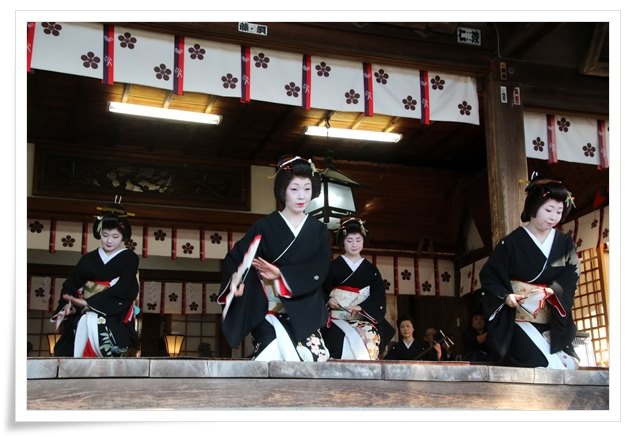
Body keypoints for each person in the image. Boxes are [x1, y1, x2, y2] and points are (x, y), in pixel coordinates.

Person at [217, 155, 331, 362]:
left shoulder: (319, 230)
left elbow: (320, 267)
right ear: (283, 190)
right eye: (294, 189)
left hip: (305, 307)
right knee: (271, 352)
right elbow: (238, 257)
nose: (301, 196)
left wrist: (281, 273)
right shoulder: (265, 226)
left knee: (314, 357)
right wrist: (237, 279)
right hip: (268, 309)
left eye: (306, 189)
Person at [479, 173, 580, 369]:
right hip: (520, 320)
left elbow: (572, 273)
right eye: (549, 209)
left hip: (552, 318)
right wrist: (506, 296)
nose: (554, 217)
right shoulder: (511, 243)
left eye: (559, 211)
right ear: (533, 206)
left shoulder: (564, 242)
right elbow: (489, 275)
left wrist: (553, 290)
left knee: (567, 367)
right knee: (538, 363)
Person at [50, 198, 139, 357]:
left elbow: (124, 287)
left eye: (115, 236)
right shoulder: (88, 258)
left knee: (102, 332)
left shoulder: (129, 258)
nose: (109, 240)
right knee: (78, 331)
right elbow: (71, 284)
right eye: (105, 235)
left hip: (113, 313)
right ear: (99, 233)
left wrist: (89, 303)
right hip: (83, 311)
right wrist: (68, 305)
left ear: (123, 236)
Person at [321, 216, 393, 360]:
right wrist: (328, 300)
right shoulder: (333, 266)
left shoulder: (371, 269)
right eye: (349, 240)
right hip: (337, 318)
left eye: (358, 240)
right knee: (334, 340)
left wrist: (362, 307)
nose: (354, 244)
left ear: (363, 241)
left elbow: (378, 295)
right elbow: (321, 288)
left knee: (369, 338)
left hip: (362, 318)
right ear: (342, 242)